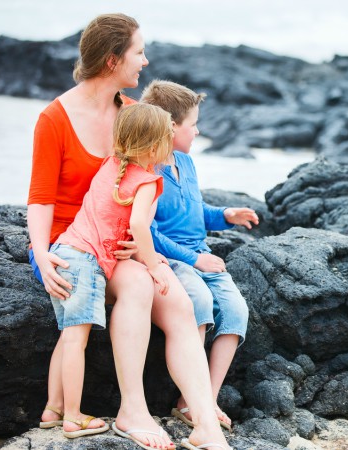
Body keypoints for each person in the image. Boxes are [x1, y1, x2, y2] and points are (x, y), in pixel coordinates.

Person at [28, 14, 230, 450]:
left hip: (120, 243)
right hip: (70, 245)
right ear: (112, 59)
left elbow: (154, 190)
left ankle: (205, 425)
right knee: (140, 285)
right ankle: (132, 411)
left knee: (178, 298)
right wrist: (42, 256)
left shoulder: (136, 114)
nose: (145, 61)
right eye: (138, 52)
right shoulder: (54, 118)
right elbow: (41, 198)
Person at [45, 103, 172, 439]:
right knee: (76, 339)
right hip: (85, 261)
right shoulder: (147, 181)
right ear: (154, 147)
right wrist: (155, 266)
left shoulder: (111, 164)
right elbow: (139, 226)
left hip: (65, 251)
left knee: (68, 334)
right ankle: (73, 417)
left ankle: (53, 407)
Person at [140, 80, 259, 431]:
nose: (198, 130)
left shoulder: (186, 163)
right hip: (174, 260)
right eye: (192, 124)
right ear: (170, 127)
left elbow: (194, 210)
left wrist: (224, 216)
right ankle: (196, 399)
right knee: (200, 305)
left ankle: (202, 399)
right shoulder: (149, 169)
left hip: (200, 253)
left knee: (237, 311)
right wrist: (193, 261)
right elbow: (148, 232)